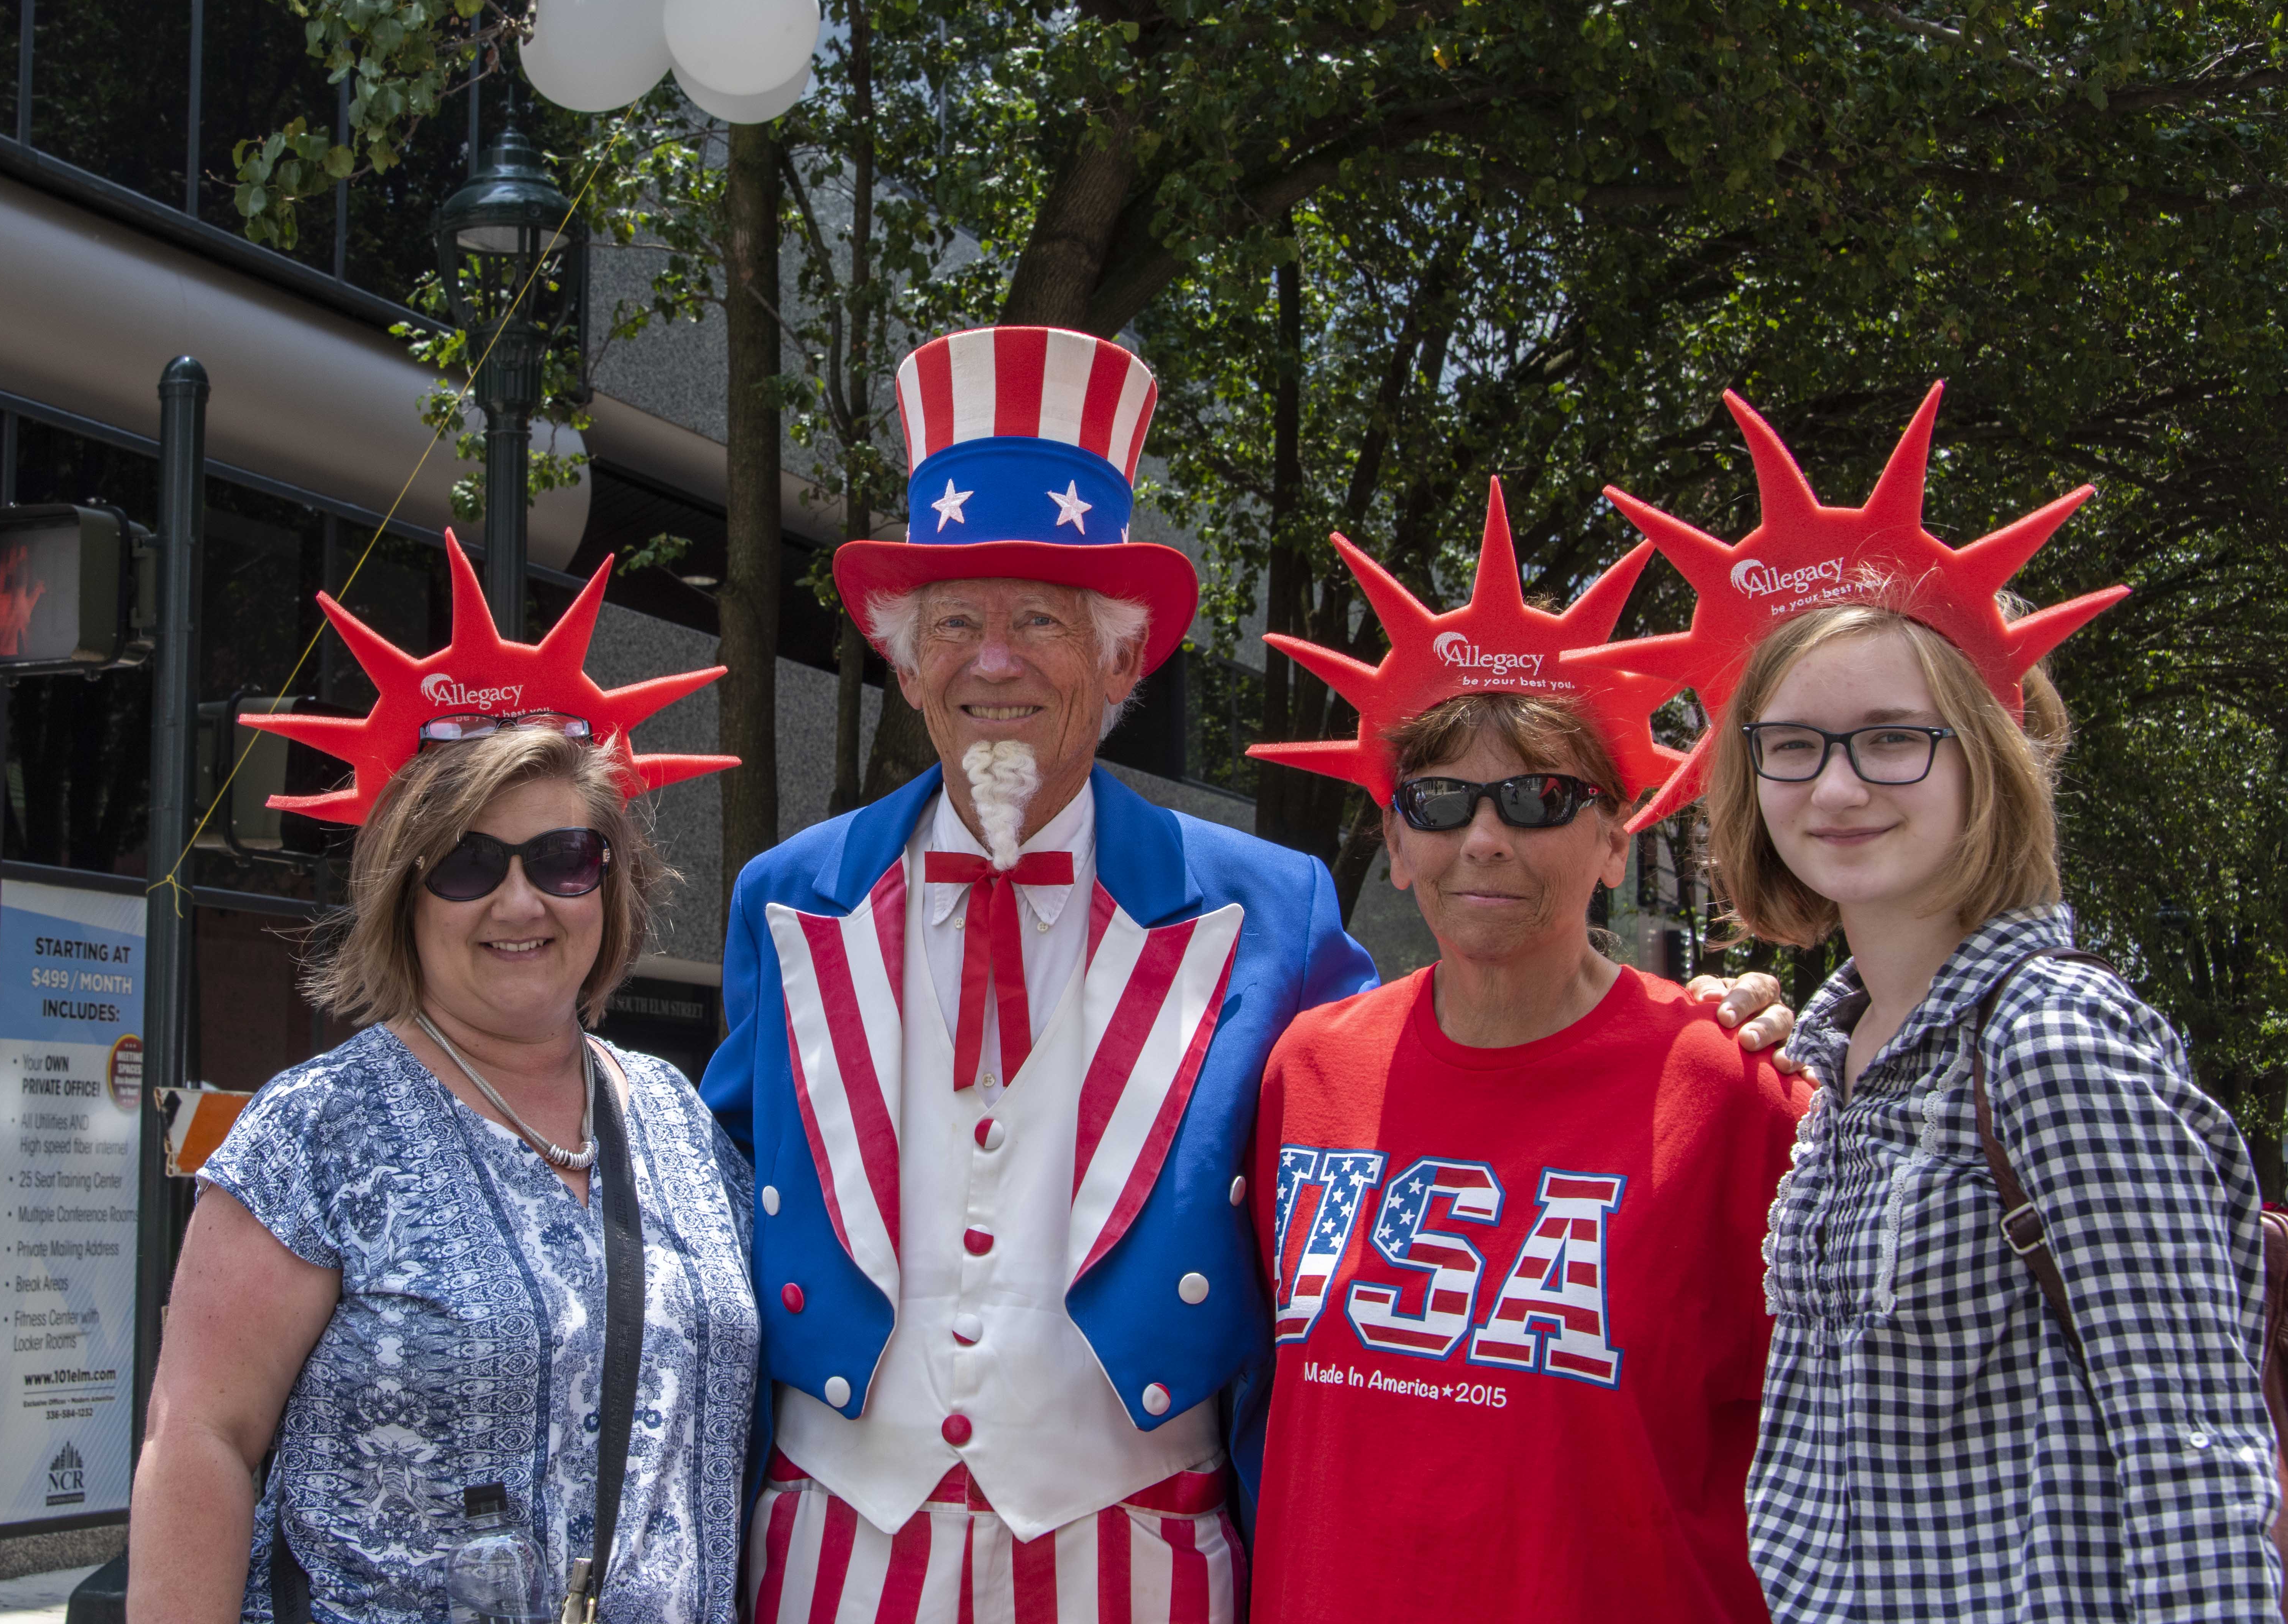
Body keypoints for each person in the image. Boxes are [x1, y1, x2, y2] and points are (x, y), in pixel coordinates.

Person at [705, 328, 1794, 1624]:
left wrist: (1677, 1024)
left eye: (1040, 622)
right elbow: (716, 1207)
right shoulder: (787, 894)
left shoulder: (1269, 905)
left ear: (1123, 661)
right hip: (831, 1556)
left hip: (1145, 1565)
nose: (992, 661)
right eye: (953, 622)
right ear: (900, 654)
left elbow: (1425, 1096)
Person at [1604, 387, 2281, 1621]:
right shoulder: (1836, 1064)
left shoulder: (2051, 1042)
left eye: (1891, 738)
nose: (1839, 785)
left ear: (1988, 757)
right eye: (1793, 745)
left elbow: (2195, 1463)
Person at [127, 535, 758, 1624]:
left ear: (610, 886)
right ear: (402, 895)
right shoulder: (318, 1132)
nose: (522, 905)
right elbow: (200, 1438)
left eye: (565, 860)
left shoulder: (679, 1118)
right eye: (468, 864)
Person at [1244, 479, 1809, 1622]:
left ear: (1613, 841)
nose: (1486, 841)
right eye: (1441, 801)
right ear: (1395, 844)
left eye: (1541, 798)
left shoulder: (1732, 1088)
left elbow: (1831, 1441)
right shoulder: (1307, 1068)